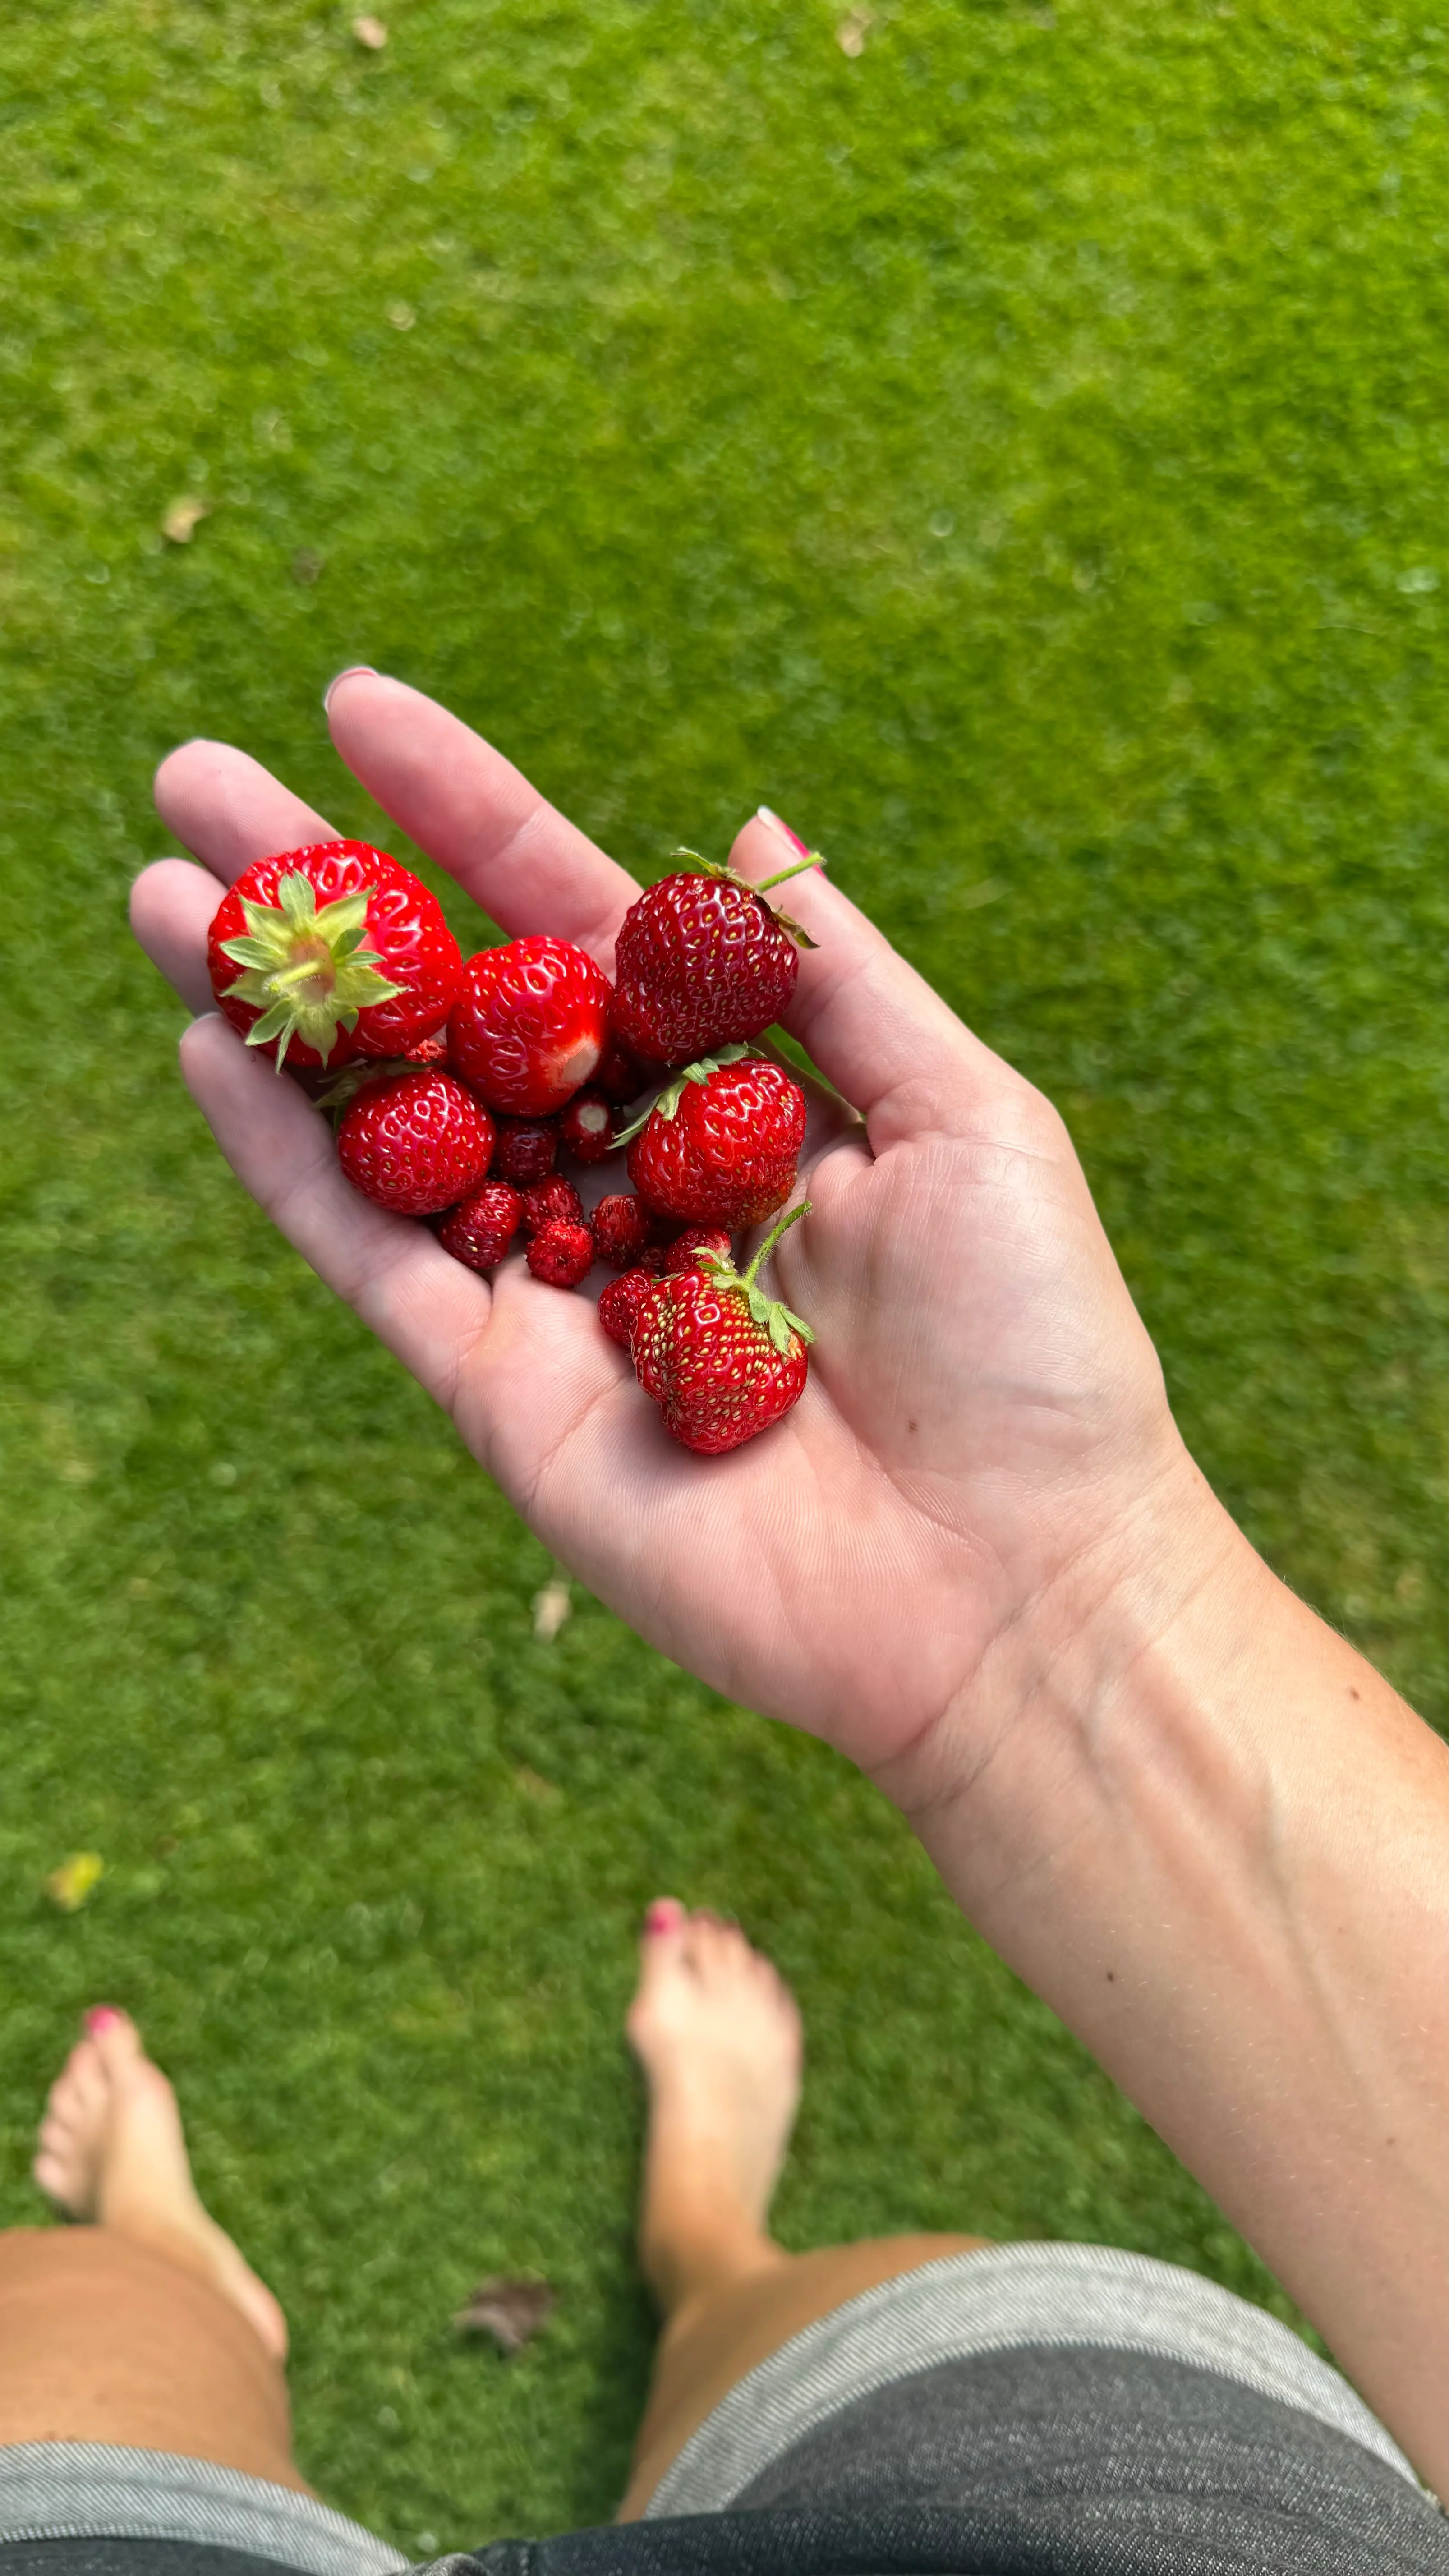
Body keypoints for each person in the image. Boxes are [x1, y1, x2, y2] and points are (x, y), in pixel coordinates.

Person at [1, 669, 1440, 2573]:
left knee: (76, 2382)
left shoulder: (606, 1147)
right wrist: (1072, 1619)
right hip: (1134, 2511)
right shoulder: (593, 1120)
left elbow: (561, 1129)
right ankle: (709, 2253)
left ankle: (188, 2270)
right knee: (916, 2356)